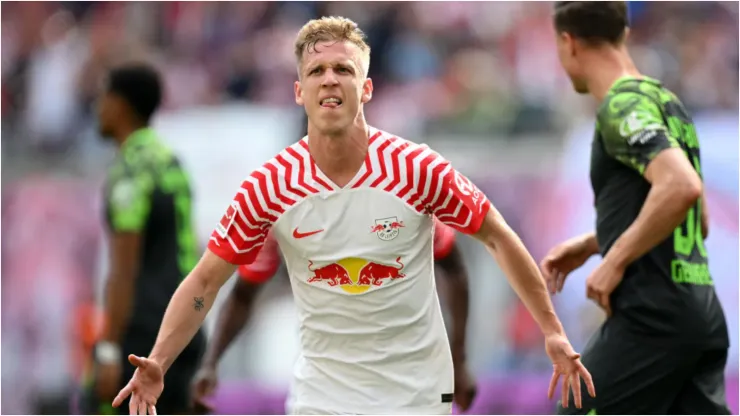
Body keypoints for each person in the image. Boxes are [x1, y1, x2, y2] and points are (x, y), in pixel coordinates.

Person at [112, 17, 594, 415]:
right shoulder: (270, 186)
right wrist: (159, 359)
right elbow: (206, 282)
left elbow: (497, 238)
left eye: (342, 69)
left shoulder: (416, 168)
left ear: (365, 89)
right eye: (317, 70)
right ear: (299, 92)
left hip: (415, 394)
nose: (329, 79)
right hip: (323, 396)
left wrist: (551, 331)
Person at [543, 2, 730, 414]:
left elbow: (682, 187)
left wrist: (614, 261)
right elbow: (697, 216)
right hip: (699, 313)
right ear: (623, 35)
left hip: (652, 317)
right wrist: (598, 242)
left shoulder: (621, 107)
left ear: (567, 42)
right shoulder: (668, 102)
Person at [190, 219, 478, 412]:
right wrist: (210, 362)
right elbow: (243, 294)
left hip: (406, 380)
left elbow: (454, 269)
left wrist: (459, 359)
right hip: (324, 386)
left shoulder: (401, 183)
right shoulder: (281, 203)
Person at [80, 63, 206, 415]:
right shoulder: (171, 162)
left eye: (103, 98)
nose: (97, 107)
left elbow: (124, 267)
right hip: (185, 325)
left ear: (120, 105)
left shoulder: (130, 171)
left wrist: (108, 350)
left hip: (142, 335)